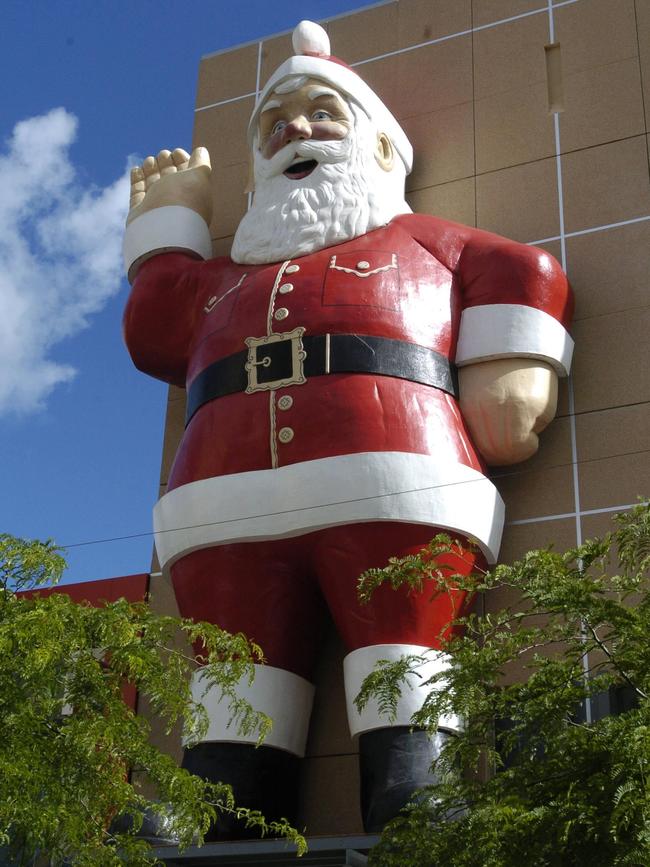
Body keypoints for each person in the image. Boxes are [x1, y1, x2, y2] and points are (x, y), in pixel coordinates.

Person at [122, 20, 574, 836]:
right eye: (275, 124)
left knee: (400, 642)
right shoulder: (221, 281)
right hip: (223, 503)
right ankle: (219, 811)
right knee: (236, 670)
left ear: (380, 148)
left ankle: (417, 793)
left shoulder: (424, 243)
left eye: (325, 112)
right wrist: (167, 231)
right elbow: (154, 331)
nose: (296, 129)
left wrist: (513, 361)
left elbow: (523, 268)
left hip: (392, 476)